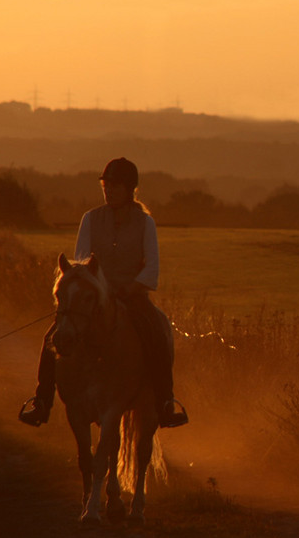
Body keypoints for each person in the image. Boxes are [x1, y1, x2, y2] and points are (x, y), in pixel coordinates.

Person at [19, 157, 188, 429]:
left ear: (131, 189)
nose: (108, 191)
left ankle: (165, 403)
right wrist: (98, 292)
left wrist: (127, 289)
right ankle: (42, 402)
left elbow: (151, 269)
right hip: (93, 300)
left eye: (115, 187)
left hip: (133, 298)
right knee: (53, 336)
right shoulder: (90, 219)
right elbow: (82, 263)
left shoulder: (146, 224)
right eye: (105, 186)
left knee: (157, 332)